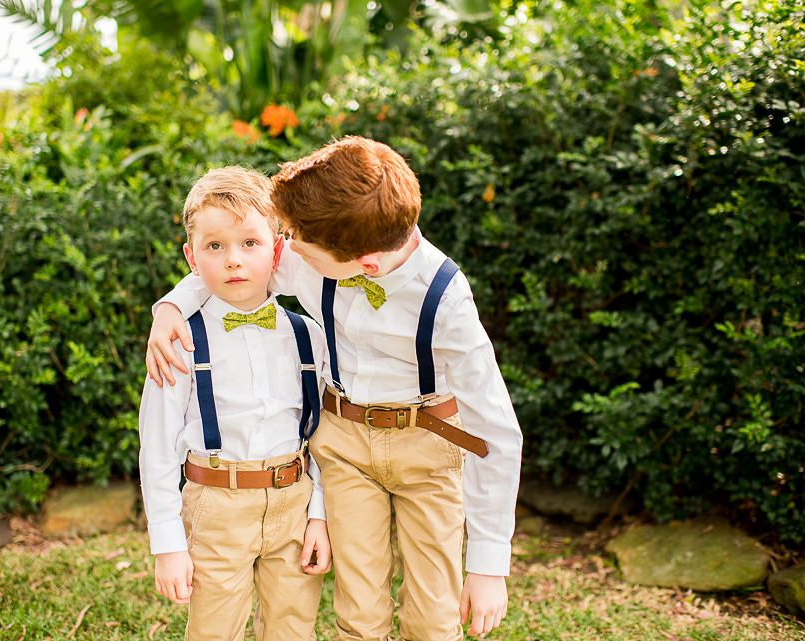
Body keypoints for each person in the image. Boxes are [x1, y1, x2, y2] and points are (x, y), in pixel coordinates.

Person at [145, 137, 523, 641]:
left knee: (434, 617)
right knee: (359, 610)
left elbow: (495, 431)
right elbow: (232, 267)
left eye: (295, 240)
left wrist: (489, 563)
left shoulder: (446, 300)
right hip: (343, 446)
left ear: (364, 264)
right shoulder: (313, 253)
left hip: (427, 446)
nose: (287, 247)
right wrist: (169, 309)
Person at [137, 166, 332, 641]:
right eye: (214, 246)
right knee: (214, 630)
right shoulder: (179, 340)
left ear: (277, 249)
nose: (233, 261)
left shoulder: (309, 336)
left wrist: (319, 516)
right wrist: (168, 545)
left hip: (294, 499)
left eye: (249, 243)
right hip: (215, 506)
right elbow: (158, 448)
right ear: (191, 257)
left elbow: (325, 437)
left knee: (293, 627)